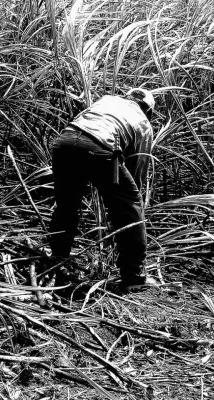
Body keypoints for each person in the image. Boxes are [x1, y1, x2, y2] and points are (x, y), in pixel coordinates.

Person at [48, 88, 159, 293]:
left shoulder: (107, 100)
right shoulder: (144, 123)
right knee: (131, 207)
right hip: (99, 147)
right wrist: (122, 209)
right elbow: (136, 177)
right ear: (149, 111)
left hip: (64, 142)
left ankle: (58, 258)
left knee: (67, 205)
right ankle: (134, 276)